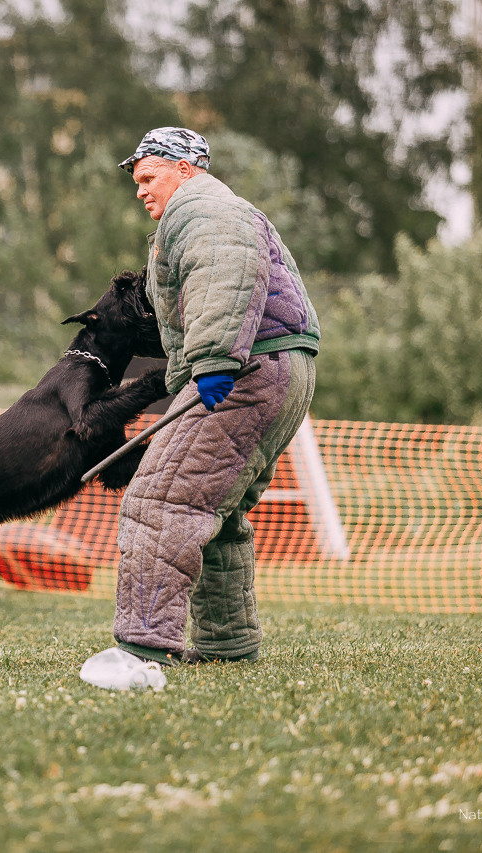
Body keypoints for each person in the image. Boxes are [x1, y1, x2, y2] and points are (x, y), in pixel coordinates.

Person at [80, 127, 320, 688]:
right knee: (217, 512)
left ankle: (141, 648)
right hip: (278, 367)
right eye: (136, 181)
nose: (140, 189)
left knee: (161, 500)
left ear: (184, 168)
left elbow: (225, 270)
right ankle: (225, 645)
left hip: (244, 369)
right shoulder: (208, 210)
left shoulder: (203, 208)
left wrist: (213, 357)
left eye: (149, 176)